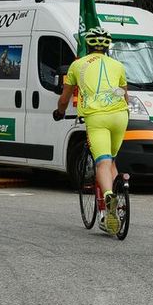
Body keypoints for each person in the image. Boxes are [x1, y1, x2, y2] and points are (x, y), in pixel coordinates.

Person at [53, 27, 129, 234]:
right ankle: (113, 203)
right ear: (107, 47)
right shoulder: (118, 65)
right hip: (120, 116)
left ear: (88, 45)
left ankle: (108, 197)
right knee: (111, 160)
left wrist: (59, 112)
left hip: (97, 117)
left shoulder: (77, 65)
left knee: (102, 162)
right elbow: (125, 95)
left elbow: (64, 98)